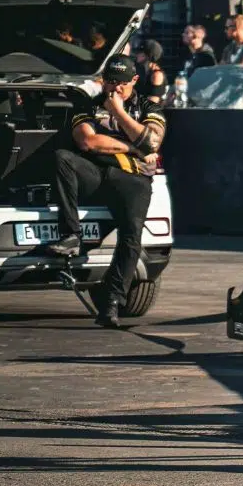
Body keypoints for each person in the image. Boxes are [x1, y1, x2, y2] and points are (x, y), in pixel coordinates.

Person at [48, 55, 167, 327]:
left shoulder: (148, 107)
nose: (115, 88)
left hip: (133, 177)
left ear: (134, 80)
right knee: (63, 157)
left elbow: (152, 142)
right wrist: (134, 146)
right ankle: (71, 234)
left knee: (132, 235)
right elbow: (87, 141)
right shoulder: (88, 105)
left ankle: (112, 301)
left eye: (122, 83)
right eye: (110, 82)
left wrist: (119, 112)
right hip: (96, 174)